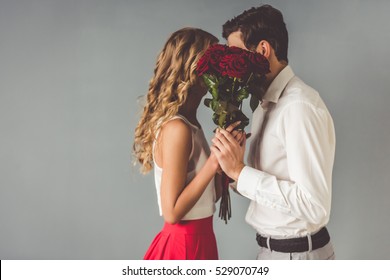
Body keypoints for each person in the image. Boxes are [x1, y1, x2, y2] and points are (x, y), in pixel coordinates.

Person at [211, 5, 336, 260]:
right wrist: (232, 172)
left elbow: (314, 207)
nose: (229, 67)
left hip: (300, 259)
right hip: (271, 254)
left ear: (263, 50)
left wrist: (239, 171)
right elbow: (276, 186)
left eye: (235, 54)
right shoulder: (265, 105)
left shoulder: (298, 106)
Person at [133, 27, 241, 260]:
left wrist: (225, 163)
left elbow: (205, 199)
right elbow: (172, 212)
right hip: (183, 246)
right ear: (194, 70)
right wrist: (213, 163)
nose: (220, 73)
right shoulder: (177, 128)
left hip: (202, 239)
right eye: (213, 66)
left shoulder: (191, 123)